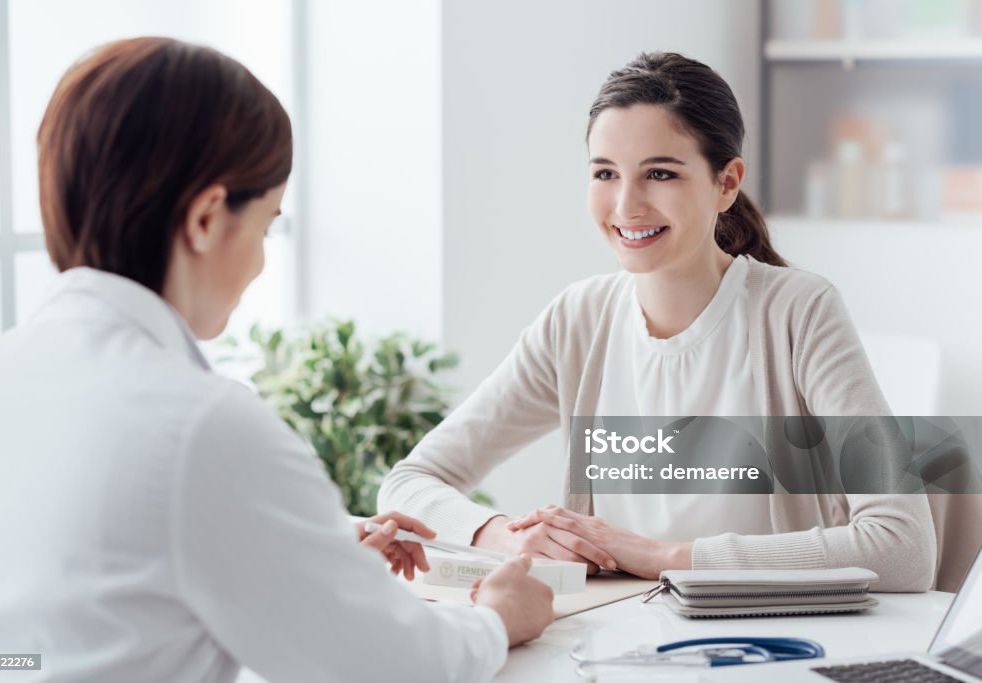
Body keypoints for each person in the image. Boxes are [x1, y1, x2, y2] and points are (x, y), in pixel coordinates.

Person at [0, 37, 553, 683]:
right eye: (266, 224)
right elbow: (395, 665)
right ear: (208, 219)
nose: (263, 260)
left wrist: (300, 551)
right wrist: (496, 616)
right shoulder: (201, 426)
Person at [378, 52, 939, 592]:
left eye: (660, 174)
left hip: (770, 646)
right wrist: (506, 536)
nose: (626, 206)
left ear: (726, 182)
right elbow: (410, 482)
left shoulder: (798, 311)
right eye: (605, 173)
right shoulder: (579, 320)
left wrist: (664, 559)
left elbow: (904, 546)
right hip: (619, 639)